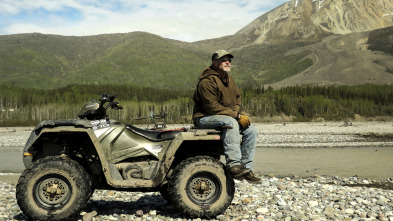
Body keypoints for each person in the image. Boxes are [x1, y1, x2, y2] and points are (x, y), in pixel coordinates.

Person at [192, 50, 261, 184]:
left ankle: (246, 168)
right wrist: (235, 115)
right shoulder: (206, 81)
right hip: (204, 118)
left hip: (225, 116)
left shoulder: (229, 79)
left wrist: (236, 113)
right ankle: (234, 165)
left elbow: (238, 97)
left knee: (251, 130)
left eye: (229, 59)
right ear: (215, 62)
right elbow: (211, 107)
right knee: (231, 122)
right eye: (224, 60)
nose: (227, 62)